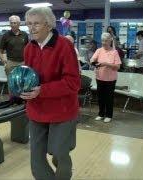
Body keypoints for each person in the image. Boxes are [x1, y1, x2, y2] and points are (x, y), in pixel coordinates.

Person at [21, 7, 81, 180]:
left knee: (58, 154)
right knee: (36, 161)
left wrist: (42, 90)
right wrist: (21, 86)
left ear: (48, 25)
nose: (32, 28)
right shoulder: (29, 48)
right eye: (29, 24)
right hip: (36, 110)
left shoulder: (64, 45)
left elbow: (73, 82)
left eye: (36, 23)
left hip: (62, 111)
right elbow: (29, 76)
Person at [90, 32, 121, 123]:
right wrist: (93, 61)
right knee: (100, 97)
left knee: (109, 98)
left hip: (110, 79)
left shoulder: (114, 52)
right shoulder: (99, 50)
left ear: (110, 41)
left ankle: (109, 115)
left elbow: (118, 66)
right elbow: (92, 59)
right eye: (102, 40)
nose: (104, 42)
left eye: (106, 41)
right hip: (100, 77)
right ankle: (101, 114)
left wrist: (106, 64)